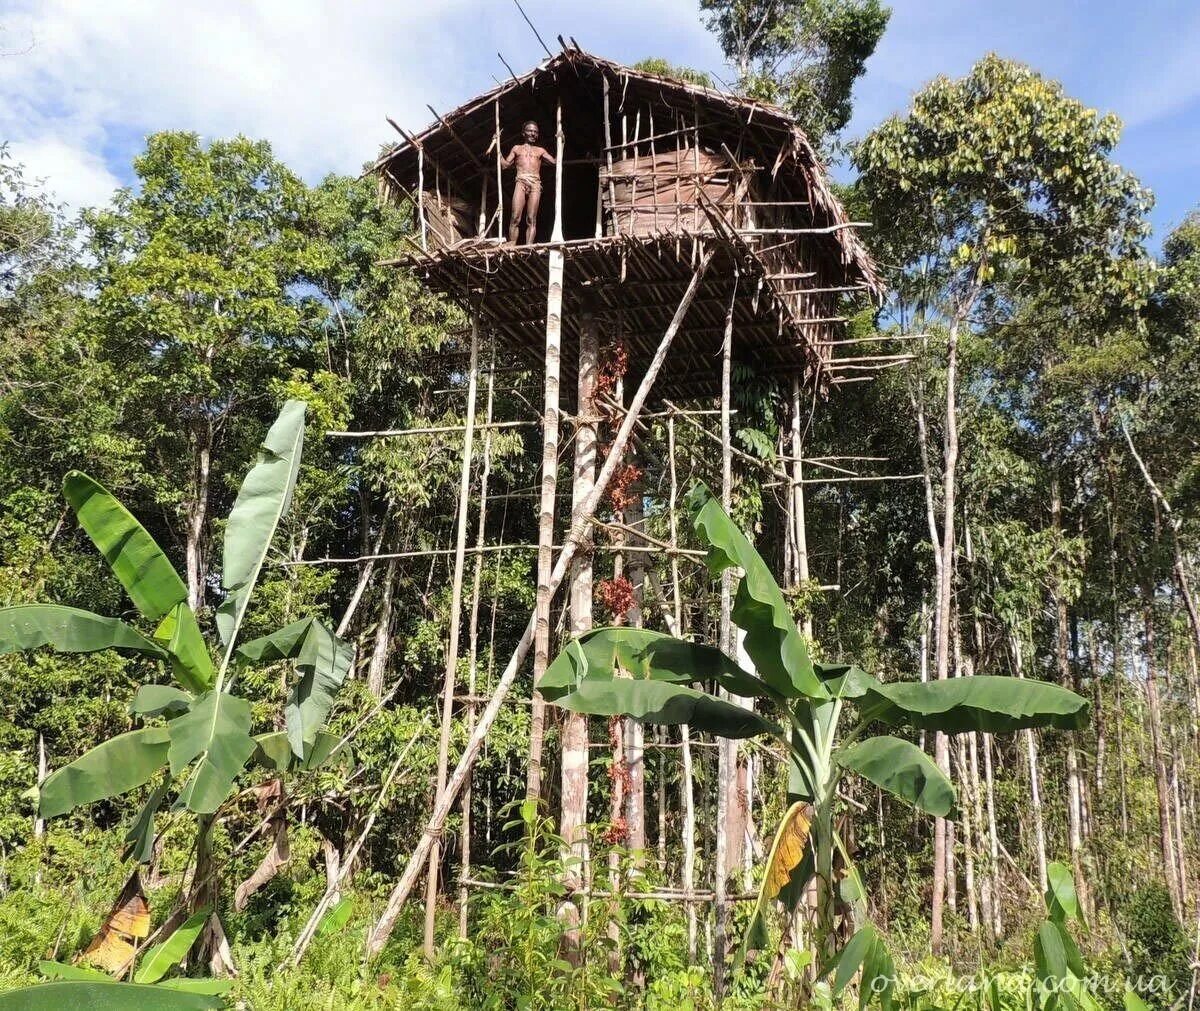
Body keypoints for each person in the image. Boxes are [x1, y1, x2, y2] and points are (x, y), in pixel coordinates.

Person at [500, 121, 555, 244]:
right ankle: (512, 244)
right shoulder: (516, 148)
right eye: (530, 131)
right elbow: (505, 165)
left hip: (535, 183)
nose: (533, 133)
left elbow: (554, 162)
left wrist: (561, 142)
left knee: (531, 218)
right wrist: (497, 151)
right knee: (515, 217)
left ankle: (528, 246)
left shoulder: (540, 151)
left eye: (535, 132)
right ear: (523, 133)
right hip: (521, 181)